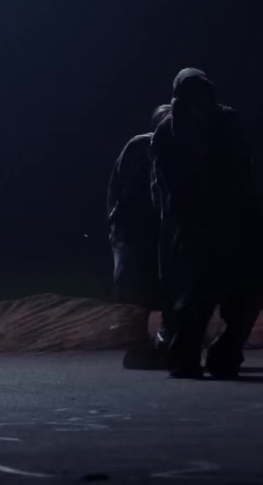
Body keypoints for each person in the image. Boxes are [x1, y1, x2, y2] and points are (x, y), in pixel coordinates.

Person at [151, 69, 263, 379]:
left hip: (234, 223)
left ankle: (224, 354)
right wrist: (178, 227)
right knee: (196, 298)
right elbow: (166, 187)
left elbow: (242, 172)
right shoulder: (168, 133)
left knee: (246, 294)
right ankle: (185, 357)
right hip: (195, 227)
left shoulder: (225, 120)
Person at [106, 103, 172, 370]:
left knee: (173, 287)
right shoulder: (140, 146)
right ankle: (138, 347)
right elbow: (122, 190)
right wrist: (120, 227)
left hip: (166, 230)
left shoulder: (182, 147)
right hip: (139, 231)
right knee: (139, 289)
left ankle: (167, 342)